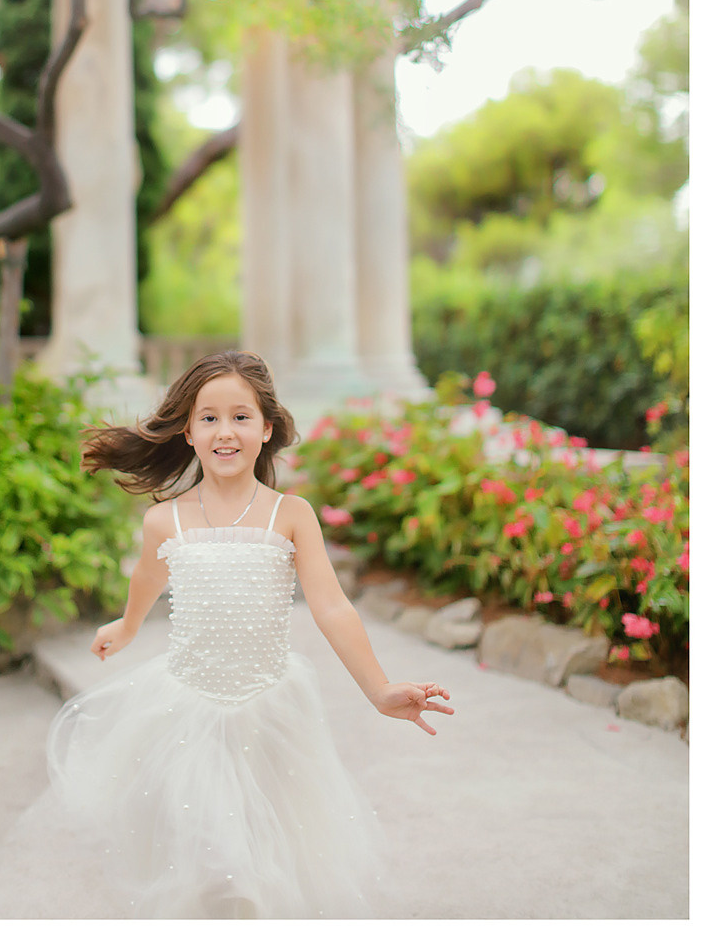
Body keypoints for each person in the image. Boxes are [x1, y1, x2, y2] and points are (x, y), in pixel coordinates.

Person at [46, 350, 453, 919]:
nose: (225, 431)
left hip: (270, 713)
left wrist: (379, 689)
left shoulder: (291, 514)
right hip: (188, 715)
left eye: (240, 416)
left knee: (264, 863)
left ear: (266, 428)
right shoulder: (165, 520)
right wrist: (128, 625)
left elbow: (331, 606)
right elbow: (148, 577)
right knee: (216, 859)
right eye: (209, 418)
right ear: (188, 432)